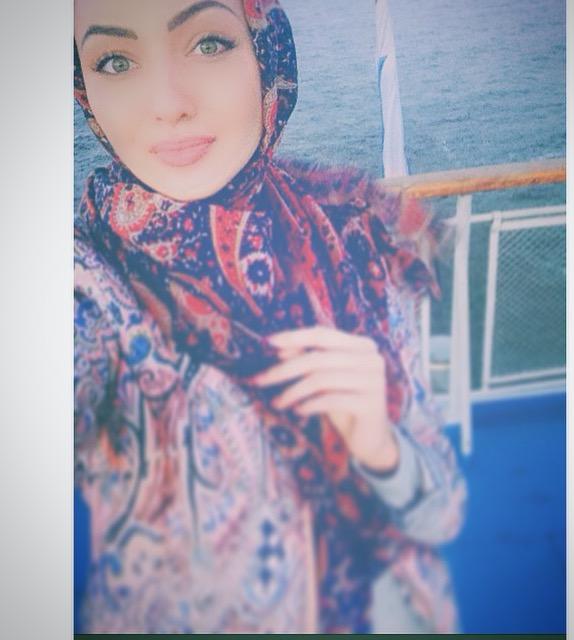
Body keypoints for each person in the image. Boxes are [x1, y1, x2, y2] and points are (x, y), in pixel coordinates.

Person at [73, 0, 468, 633]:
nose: (167, 104)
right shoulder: (89, 280)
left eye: (208, 44)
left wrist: (380, 448)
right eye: (115, 61)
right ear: (84, 88)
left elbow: (440, 513)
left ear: (266, 55)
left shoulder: (352, 230)